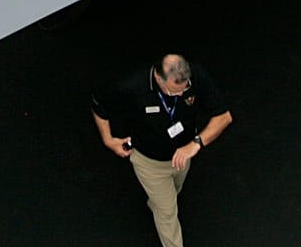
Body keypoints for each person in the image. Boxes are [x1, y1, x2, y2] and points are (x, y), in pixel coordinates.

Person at [91, 54, 233, 247]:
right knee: (168, 212)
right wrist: (108, 140)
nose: (181, 95)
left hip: (183, 155)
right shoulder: (131, 85)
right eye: (174, 92)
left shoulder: (195, 76)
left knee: (174, 191)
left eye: (185, 90)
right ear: (159, 79)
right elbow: (99, 106)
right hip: (150, 163)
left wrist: (195, 144)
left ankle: (156, 203)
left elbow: (224, 116)